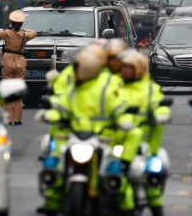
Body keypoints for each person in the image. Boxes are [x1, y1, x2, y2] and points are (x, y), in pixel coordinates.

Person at [35, 49, 141, 216]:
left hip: (101, 137)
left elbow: (119, 107)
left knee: (115, 170)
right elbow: (62, 107)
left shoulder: (106, 87)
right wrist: (49, 115)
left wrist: (124, 120)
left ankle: (125, 206)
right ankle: (53, 202)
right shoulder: (73, 88)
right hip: (77, 136)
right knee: (56, 165)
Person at [120, 50, 170, 216]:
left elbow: (160, 104)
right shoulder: (114, 86)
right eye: (123, 67)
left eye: (129, 67)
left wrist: (161, 114)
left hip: (144, 142)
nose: (124, 71)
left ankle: (156, 208)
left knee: (152, 176)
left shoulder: (150, 88)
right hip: (117, 140)